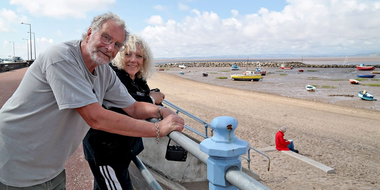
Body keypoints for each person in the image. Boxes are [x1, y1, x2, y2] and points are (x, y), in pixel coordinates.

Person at [0, 12, 184, 189]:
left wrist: (161, 111)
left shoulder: (104, 71)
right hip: (17, 159)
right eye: (106, 38)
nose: (110, 48)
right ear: (89, 33)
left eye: (117, 44)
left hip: (51, 166)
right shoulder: (61, 58)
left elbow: (133, 107)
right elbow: (95, 117)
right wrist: (157, 129)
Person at [83, 34, 165, 189]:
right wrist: (152, 100)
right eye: (128, 54)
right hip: (106, 151)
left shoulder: (136, 79)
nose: (133, 60)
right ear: (119, 55)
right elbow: (126, 103)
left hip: (121, 150)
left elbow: (137, 96)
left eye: (139, 56)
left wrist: (148, 96)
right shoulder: (112, 74)